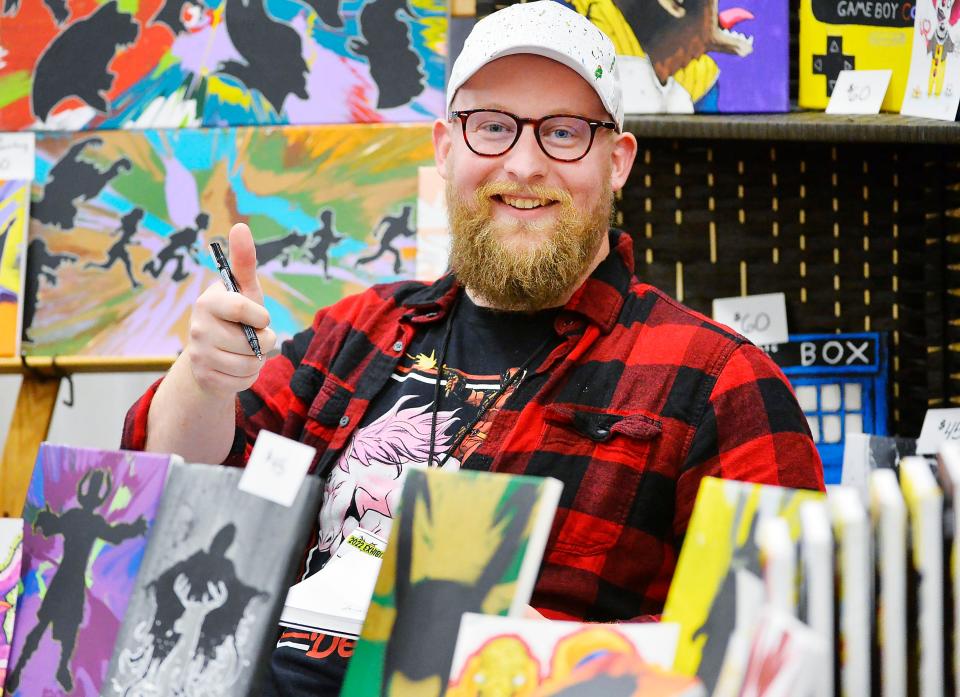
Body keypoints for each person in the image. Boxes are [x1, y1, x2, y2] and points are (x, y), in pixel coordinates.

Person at [122, 2, 824, 694]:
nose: (522, 164)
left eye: (563, 132)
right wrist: (204, 378)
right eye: (492, 127)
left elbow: (773, 650)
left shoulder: (719, 382)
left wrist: (536, 655)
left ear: (617, 161)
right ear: (446, 147)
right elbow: (162, 499)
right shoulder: (358, 330)